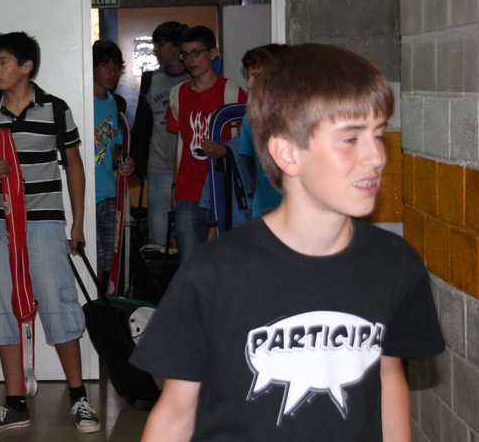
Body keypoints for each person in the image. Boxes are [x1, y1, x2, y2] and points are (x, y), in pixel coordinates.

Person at [131, 43, 445, 441]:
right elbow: (175, 415)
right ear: (288, 153)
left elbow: (388, 376)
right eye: (350, 138)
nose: (376, 157)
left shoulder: (395, 264)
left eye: (378, 134)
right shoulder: (213, 273)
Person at [0, 32, 100, 435]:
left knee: (58, 302)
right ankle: (15, 402)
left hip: (44, 222)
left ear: (26, 67)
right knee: (2, 303)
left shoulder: (56, 109)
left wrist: (77, 223)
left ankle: (78, 397)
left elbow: (74, 165)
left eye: (3, 62)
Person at [167, 25, 246, 263]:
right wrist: (175, 189)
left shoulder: (233, 93)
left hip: (223, 189)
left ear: (213, 53)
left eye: (196, 53)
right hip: (189, 190)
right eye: (185, 55)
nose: (190, 60)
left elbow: (248, 143)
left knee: (229, 261)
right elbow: (180, 144)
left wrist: (224, 151)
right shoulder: (177, 94)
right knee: (190, 263)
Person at [135, 21, 190, 246]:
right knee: (158, 236)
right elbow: (142, 125)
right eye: (155, 44)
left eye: (161, 43)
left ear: (176, 46)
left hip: (189, 168)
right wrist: (136, 162)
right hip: (158, 166)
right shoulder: (152, 79)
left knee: (188, 234)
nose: (156, 49)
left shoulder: (194, 78)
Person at [92, 40, 135, 287]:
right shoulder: (81, 100)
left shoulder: (113, 103)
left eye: (116, 66)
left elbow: (116, 147)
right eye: (104, 65)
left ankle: (100, 305)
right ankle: (94, 307)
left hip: (109, 192)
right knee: (93, 259)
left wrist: (125, 163)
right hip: (88, 194)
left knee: (107, 262)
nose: (111, 72)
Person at [238, 43, 289, 217]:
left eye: (257, 77)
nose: (249, 84)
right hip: (263, 216)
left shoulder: (306, 120)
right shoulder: (249, 120)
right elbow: (249, 168)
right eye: (248, 76)